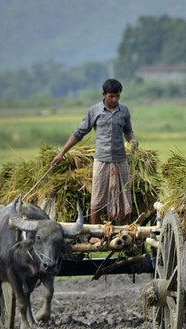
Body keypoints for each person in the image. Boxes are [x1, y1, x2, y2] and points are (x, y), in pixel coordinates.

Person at [52, 79, 138, 242]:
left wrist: (132, 140)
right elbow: (79, 133)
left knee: (124, 194)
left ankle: (126, 230)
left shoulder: (124, 111)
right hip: (102, 160)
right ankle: (94, 234)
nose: (114, 100)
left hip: (121, 159)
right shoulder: (94, 111)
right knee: (98, 194)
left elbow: (128, 130)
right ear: (104, 95)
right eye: (111, 96)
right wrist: (62, 153)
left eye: (117, 97)